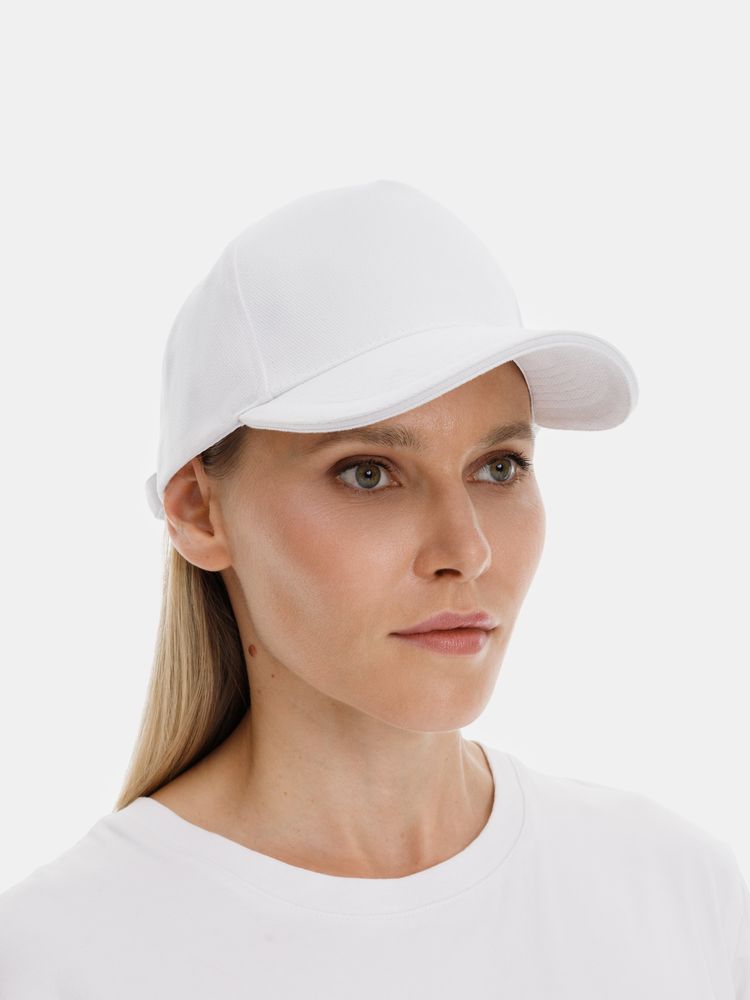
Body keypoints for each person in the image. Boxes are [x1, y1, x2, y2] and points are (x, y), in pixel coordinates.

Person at [0, 179, 747, 998]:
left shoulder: (679, 898)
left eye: (500, 467)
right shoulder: (55, 958)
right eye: (368, 473)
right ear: (198, 511)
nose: (467, 550)